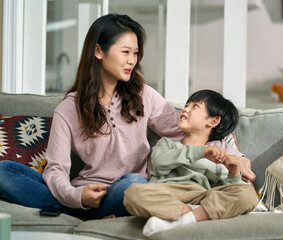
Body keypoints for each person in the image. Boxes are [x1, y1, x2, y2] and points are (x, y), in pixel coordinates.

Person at [0, 13, 184, 220]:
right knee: (4, 171)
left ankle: (76, 212)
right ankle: (82, 210)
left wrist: (221, 147)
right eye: (125, 52)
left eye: (135, 53)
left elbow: (182, 131)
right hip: (85, 189)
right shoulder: (69, 108)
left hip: (126, 189)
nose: (131, 60)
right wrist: (77, 196)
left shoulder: (144, 94)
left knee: (135, 184)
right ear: (98, 51)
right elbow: (56, 169)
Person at [123, 89, 259, 236]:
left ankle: (187, 218)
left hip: (201, 196)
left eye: (195, 106)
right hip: (168, 192)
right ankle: (191, 213)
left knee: (247, 194)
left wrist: (234, 174)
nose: (186, 108)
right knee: (132, 193)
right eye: (187, 105)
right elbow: (158, 162)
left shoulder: (219, 156)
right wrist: (201, 152)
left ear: (213, 121)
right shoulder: (167, 144)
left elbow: (227, 190)